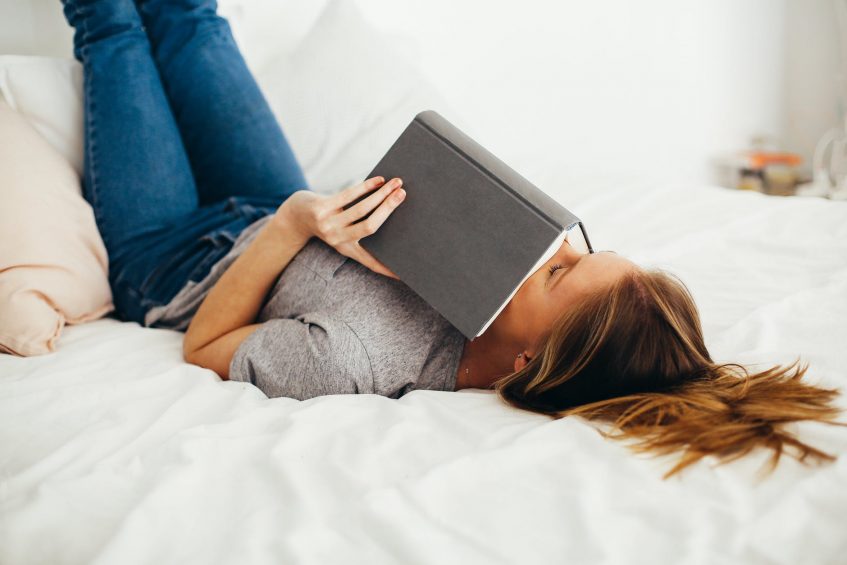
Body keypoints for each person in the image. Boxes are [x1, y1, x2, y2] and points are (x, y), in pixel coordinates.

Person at [61, 0, 843, 478]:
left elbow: (205, 345)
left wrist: (297, 220)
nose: (543, 250)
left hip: (176, 260)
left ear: (532, 361)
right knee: (189, 15)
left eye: (558, 272)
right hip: (273, 202)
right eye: (572, 246)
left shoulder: (356, 360)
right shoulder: (484, 278)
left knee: (115, 25)